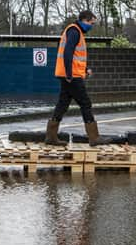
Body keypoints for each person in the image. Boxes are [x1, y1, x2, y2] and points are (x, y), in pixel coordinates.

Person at [45, 10, 109, 146]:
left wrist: (85, 69)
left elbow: (74, 56)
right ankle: (94, 137)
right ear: (84, 20)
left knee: (62, 104)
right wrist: (69, 74)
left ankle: (51, 136)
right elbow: (68, 52)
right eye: (91, 23)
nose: (91, 26)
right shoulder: (74, 31)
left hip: (68, 74)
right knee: (85, 103)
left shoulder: (75, 32)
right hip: (72, 76)